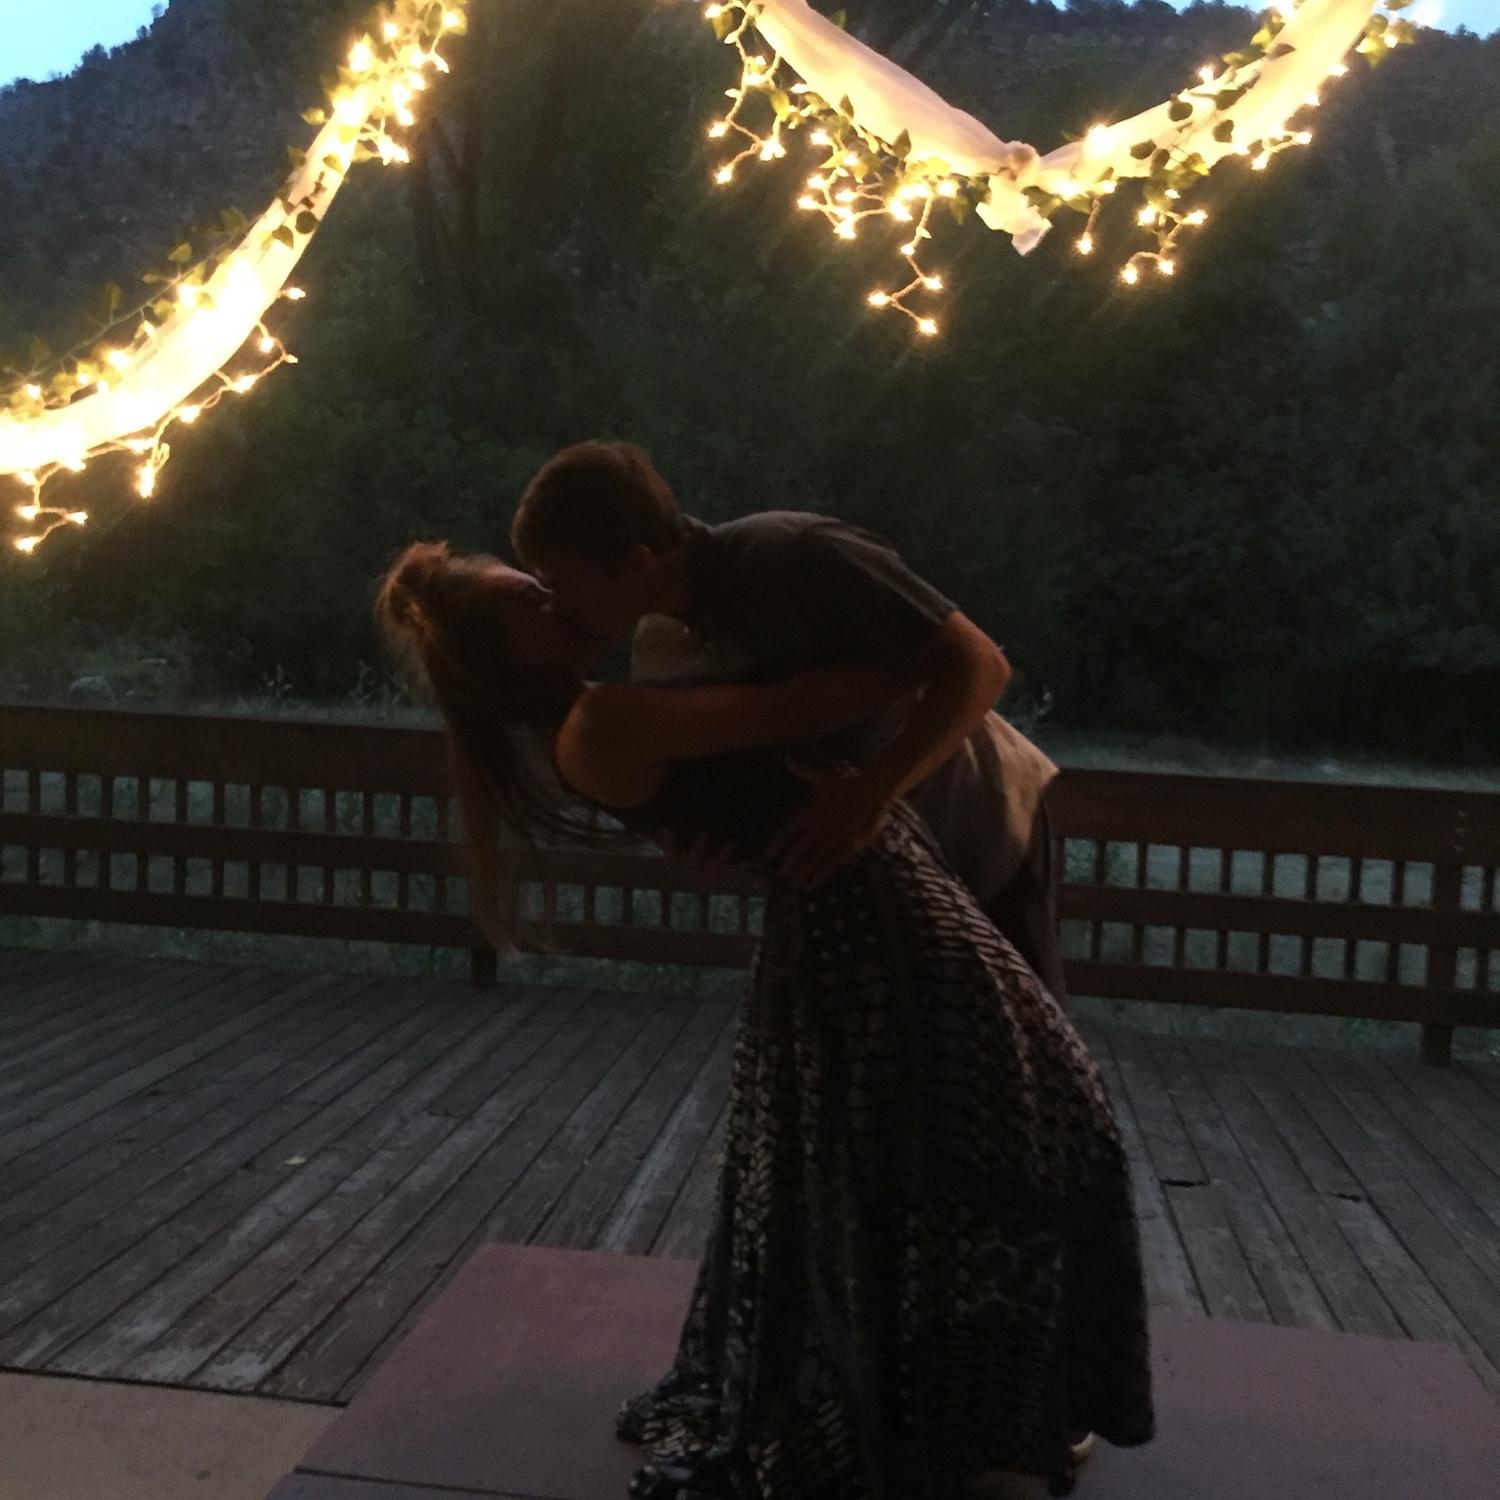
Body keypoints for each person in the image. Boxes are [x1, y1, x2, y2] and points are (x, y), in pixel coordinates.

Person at [374, 540, 1154, 1500]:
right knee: (1016, 1124)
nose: (550, 592)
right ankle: (975, 1408)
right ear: (507, 663)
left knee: (917, 1154)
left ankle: (967, 1403)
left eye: (536, 579)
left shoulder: (622, 702)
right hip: (868, 920)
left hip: (865, 905)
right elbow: (796, 712)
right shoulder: (607, 717)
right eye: (524, 602)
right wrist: (918, 653)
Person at [508, 440, 1069, 1006]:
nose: (559, 606)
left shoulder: (797, 553)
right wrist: (708, 846)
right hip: (886, 874)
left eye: (564, 585)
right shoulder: (661, 648)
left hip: (981, 820)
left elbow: (980, 663)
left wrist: (871, 793)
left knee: (1028, 1028)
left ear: (636, 561)